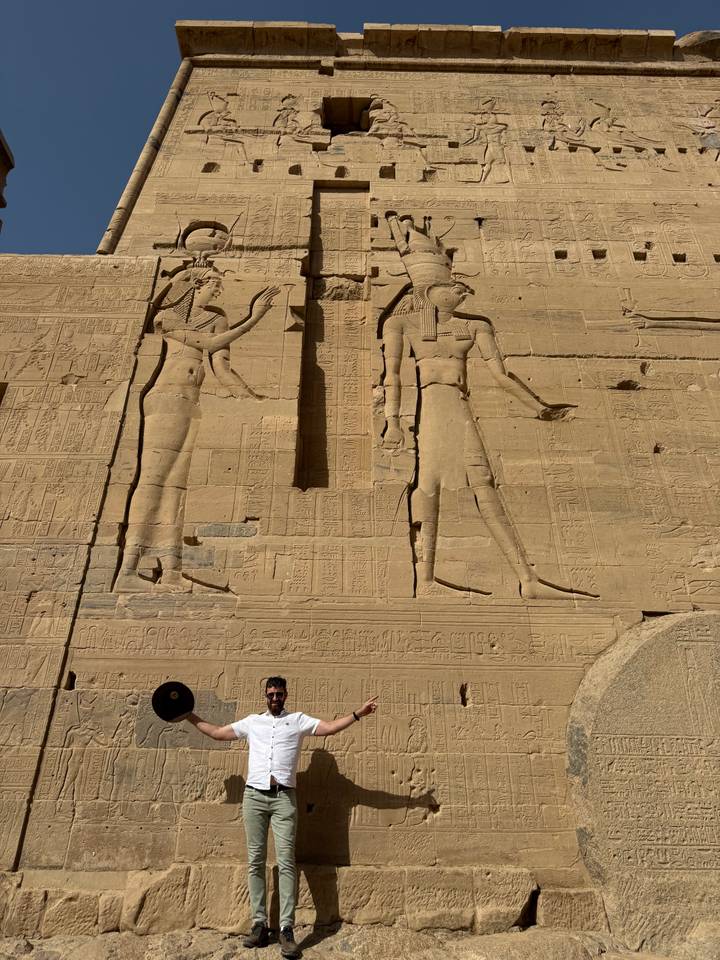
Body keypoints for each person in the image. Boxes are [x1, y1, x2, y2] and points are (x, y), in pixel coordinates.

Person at [186, 677, 378, 958]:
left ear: (286, 695)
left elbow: (329, 728)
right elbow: (217, 733)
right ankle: (259, 924)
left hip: (284, 798)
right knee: (255, 861)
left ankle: (286, 929)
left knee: (286, 862)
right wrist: (188, 716)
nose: (275, 698)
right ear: (265, 696)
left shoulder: (297, 720)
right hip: (254, 797)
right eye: (271, 694)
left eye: (279, 694)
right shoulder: (253, 722)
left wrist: (358, 714)